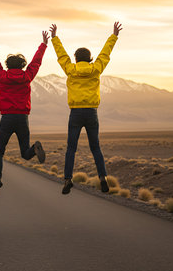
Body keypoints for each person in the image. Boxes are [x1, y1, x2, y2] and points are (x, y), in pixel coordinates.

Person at [50, 22, 123, 194]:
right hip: (91, 113)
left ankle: (68, 179)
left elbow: (62, 56)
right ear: (90, 58)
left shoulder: (71, 69)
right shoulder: (96, 68)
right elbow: (105, 53)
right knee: (95, 147)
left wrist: (54, 38)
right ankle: (103, 177)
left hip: (75, 113)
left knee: (71, 148)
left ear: (75, 58)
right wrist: (114, 36)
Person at [0, 31, 48, 196]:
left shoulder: (2, 76)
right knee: (25, 153)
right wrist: (44, 44)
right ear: (22, 65)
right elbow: (36, 62)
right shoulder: (27, 76)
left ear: (8, 65)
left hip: (7, 118)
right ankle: (35, 148)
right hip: (22, 119)